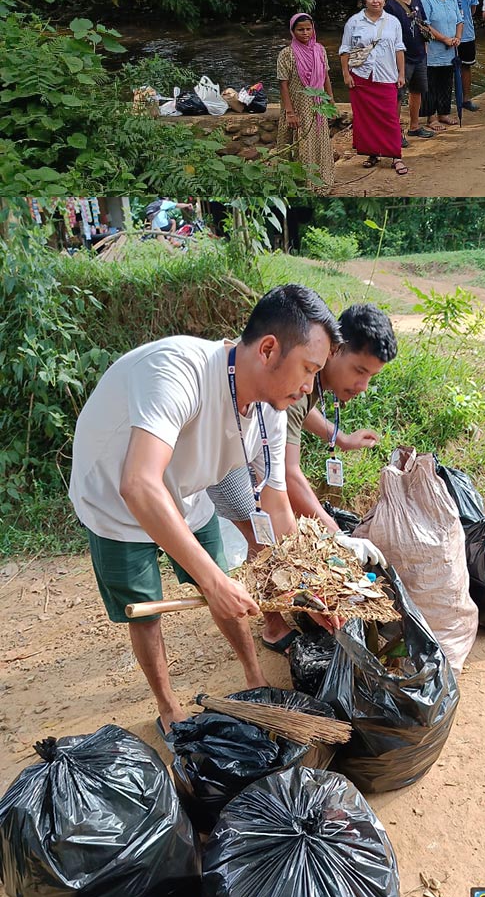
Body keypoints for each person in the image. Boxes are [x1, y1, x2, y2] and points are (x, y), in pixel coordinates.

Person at [68, 285, 342, 734]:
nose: (309, 387)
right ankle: (167, 704)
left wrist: (307, 589)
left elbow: (275, 505)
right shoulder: (177, 371)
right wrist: (212, 582)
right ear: (269, 349)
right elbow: (138, 483)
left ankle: (253, 678)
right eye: (309, 370)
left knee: (220, 581)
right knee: (147, 607)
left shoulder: (273, 406)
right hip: (116, 502)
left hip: (186, 492)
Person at [206, 303, 398, 652]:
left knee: (277, 532)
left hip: (248, 448)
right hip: (224, 454)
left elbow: (299, 414)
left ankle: (284, 603)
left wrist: (338, 438)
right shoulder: (295, 378)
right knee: (261, 539)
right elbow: (288, 476)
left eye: (371, 376)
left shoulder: (309, 378)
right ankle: (273, 624)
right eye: (358, 370)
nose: (363, 385)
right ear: (335, 350)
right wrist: (336, 536)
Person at [339, 0, 407, 176]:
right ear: (364, 1)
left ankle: (396, 156)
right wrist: (346, 74)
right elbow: (345, 50)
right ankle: (372, 154)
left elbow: (399, 48)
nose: (375, 1)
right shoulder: (354, 22)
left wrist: (401, 74)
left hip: (387, 76)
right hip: (361, 76)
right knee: (365, 119)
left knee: (390, 117)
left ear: (385, 0)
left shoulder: (393, 21)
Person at [276, 12, 337, 187]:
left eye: (308, 29)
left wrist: (330, 102)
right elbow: (283, 85)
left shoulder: (320, 50)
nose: (305, 33)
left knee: (319, 141)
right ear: (292, 31)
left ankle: (322, 180)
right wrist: (290, 112)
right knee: (300, 143)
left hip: (317, 106)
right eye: (300, 29)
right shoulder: (287, 54)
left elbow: (325, 77)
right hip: (297, 105)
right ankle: (300, 183)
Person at [385, 0, 433, 141]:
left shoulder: (417, 1)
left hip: (419, 54)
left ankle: (414, 126)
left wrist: (425, 47)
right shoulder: (390, 5)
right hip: (401, 57)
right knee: (398, 95)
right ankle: (395, 132)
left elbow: (424, 24)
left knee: (417, 91)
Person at [421, 0, 463, 131]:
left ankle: (443, 113)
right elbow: (425, 25)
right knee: (431, 84)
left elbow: (460, 21)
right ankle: (431, 117)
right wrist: (444, 38)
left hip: (451, 50)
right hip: (432, 50)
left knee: (446, 82)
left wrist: (458, 37)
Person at [446, 0, 480, 113]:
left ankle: (466, 99)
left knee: (466, 66)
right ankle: (446, 101)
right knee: (445, 67)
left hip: (467, 33)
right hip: (447, 34)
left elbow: (472, 9)